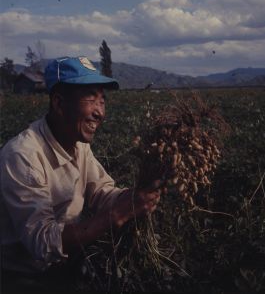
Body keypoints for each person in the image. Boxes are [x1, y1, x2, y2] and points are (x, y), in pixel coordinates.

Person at [0, 56, 161, 292]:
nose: (100, 112)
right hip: (22, 278)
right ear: (59, 103)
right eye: (91, 99)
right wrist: (114, 215)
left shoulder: (78, 144)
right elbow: (43, 242)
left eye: (103, 101)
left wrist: (136, 197)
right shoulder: (22, 155)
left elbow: (103, 192)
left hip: (66, 265)